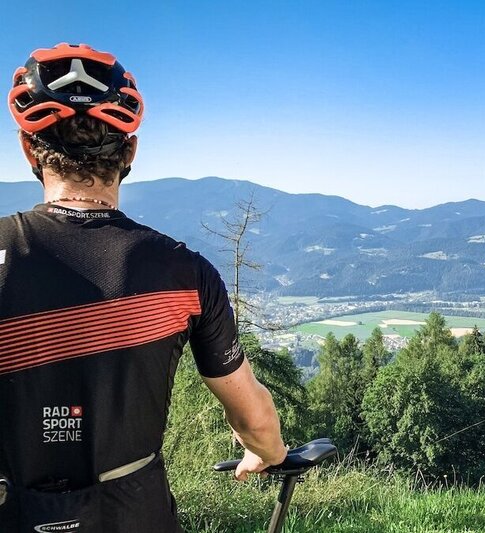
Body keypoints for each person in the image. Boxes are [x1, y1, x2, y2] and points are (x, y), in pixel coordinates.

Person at [0, 43, 287, 532]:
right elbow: (252, 418)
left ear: (28, 148)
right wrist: (269, 453)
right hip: (134, 512)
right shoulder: (185, 273)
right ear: (130, 151)